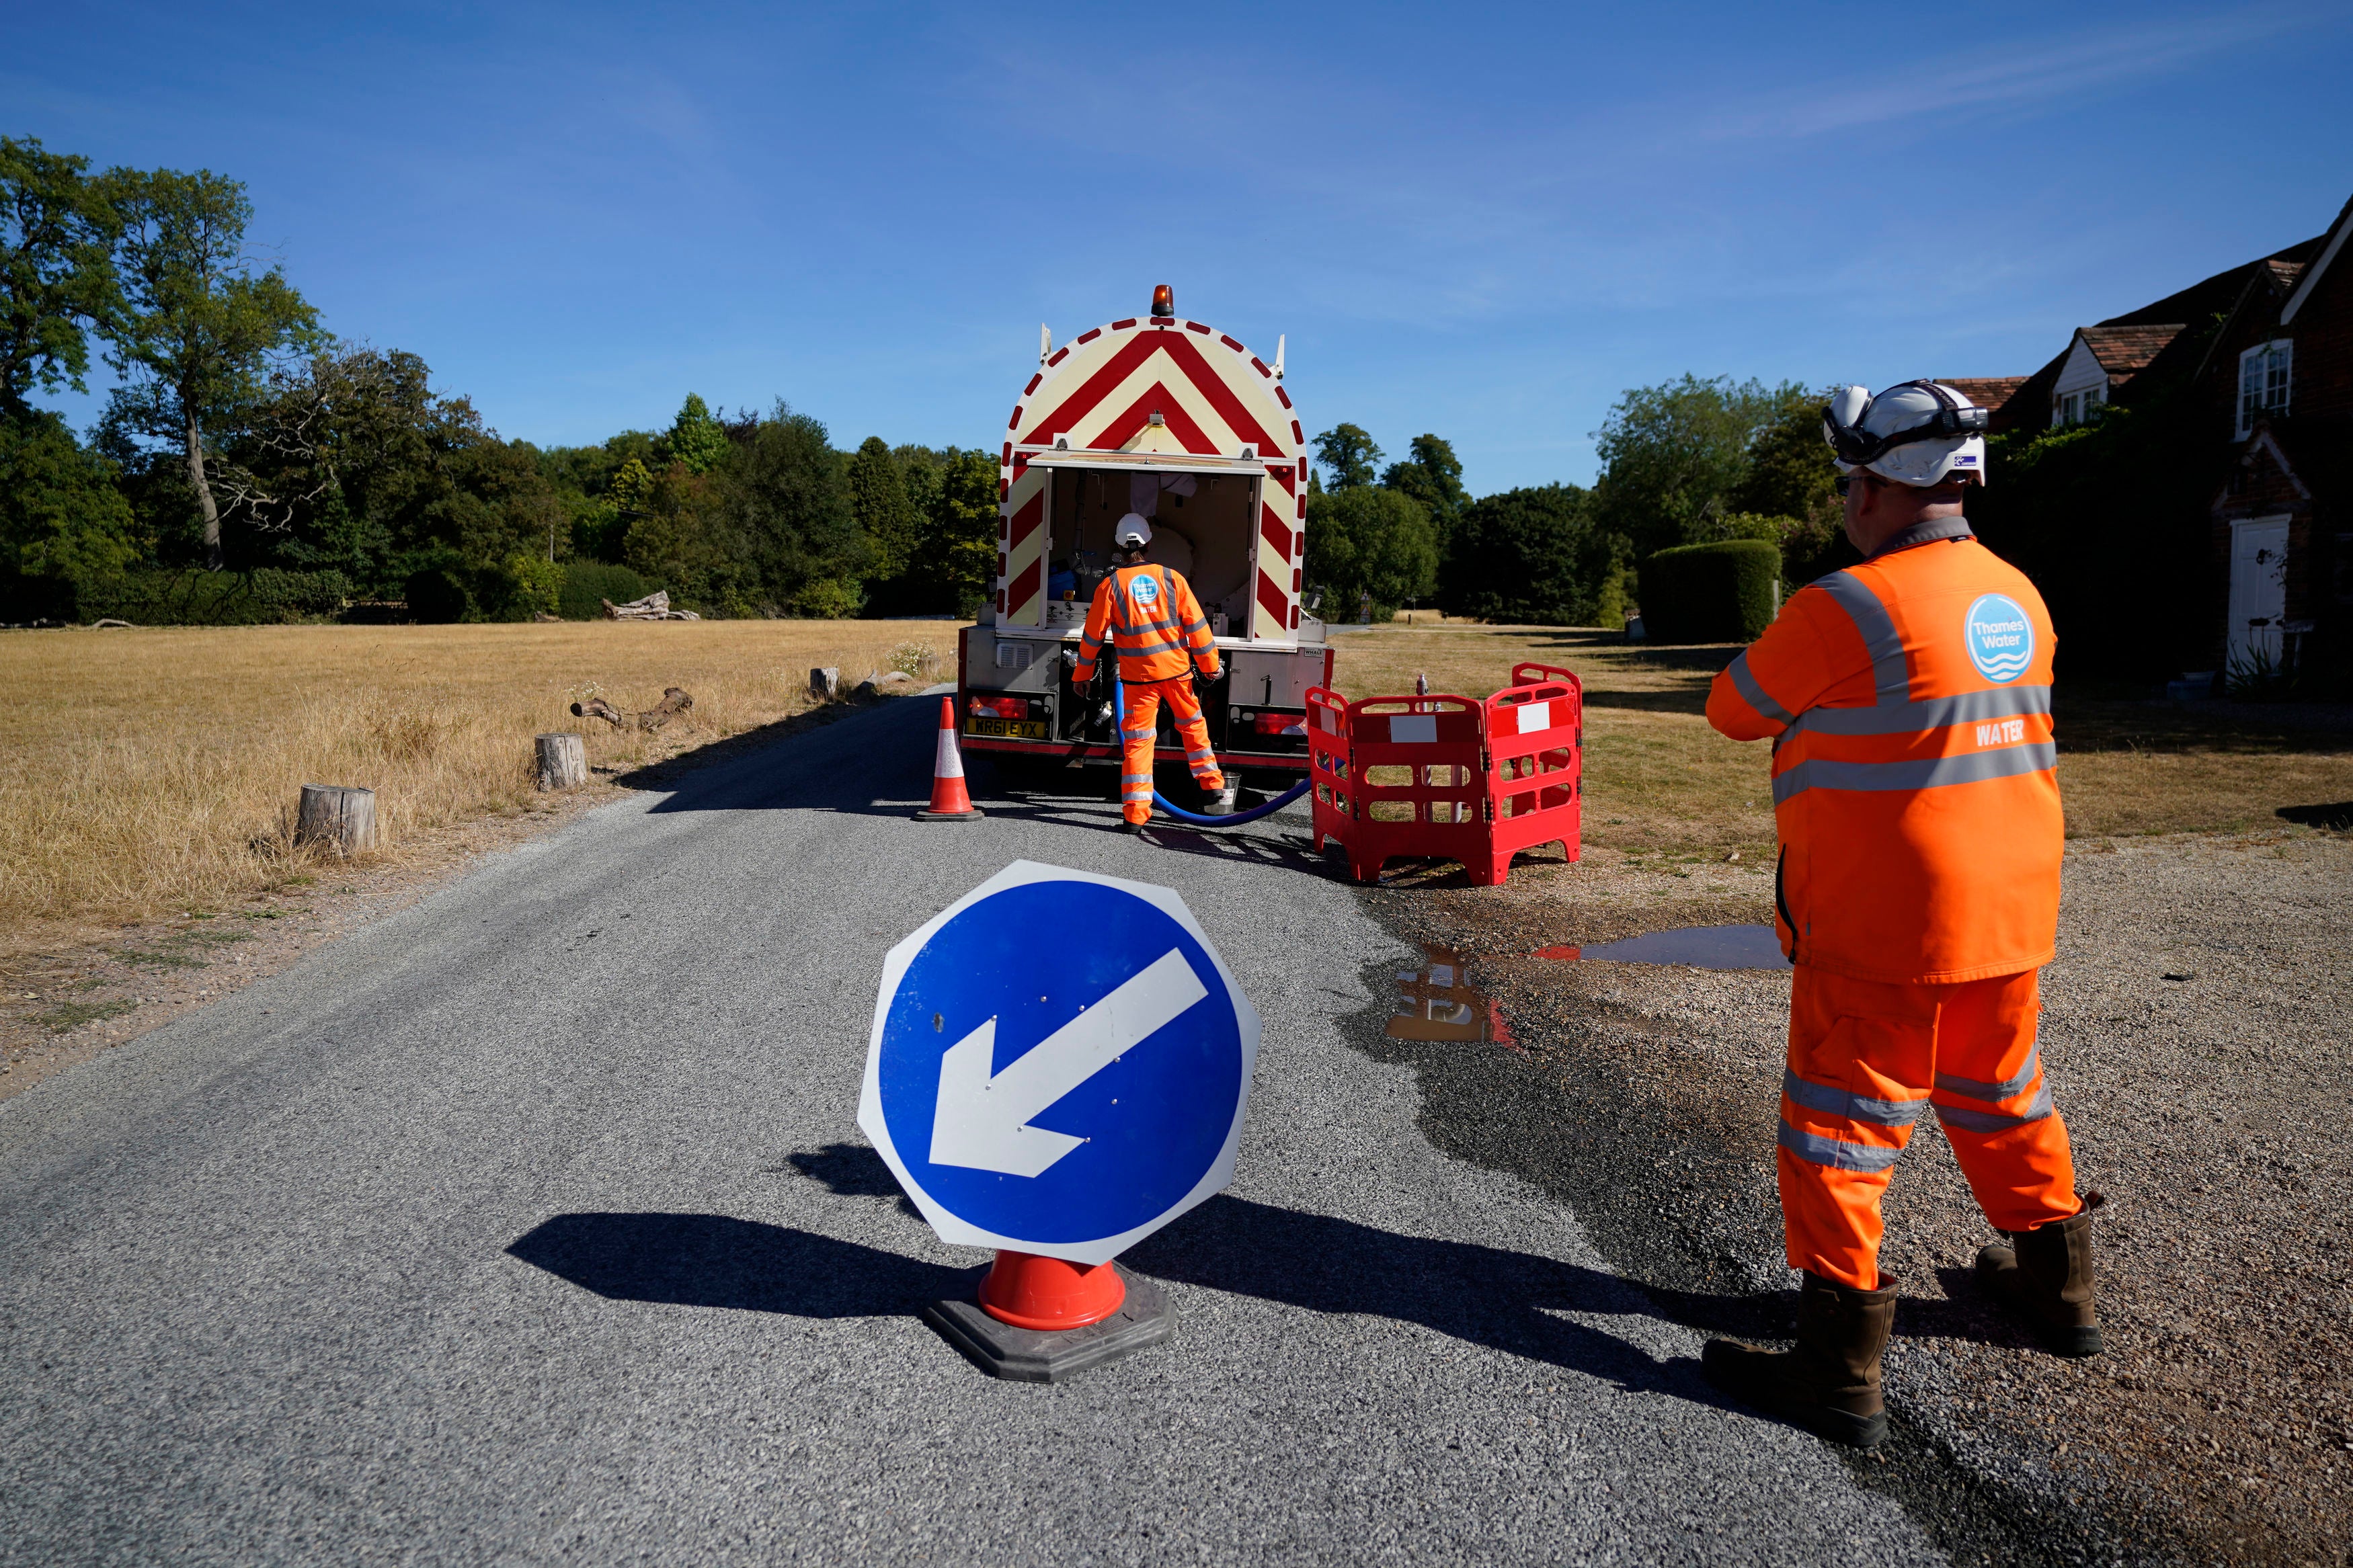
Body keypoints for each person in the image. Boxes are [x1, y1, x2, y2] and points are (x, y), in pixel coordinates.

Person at [1700, 380, 2102, 1450]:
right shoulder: (2018, 593)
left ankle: (1837, 1365)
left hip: (1886, 923)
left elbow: (1732, 710)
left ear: (1877, 485)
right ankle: (2057, 1287)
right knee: (2005, 1092)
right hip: (2011, 908)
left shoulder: (1846, 606)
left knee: (1841, 1127)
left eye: (1848, 484)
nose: (1844, 504)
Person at [1071, 513, 1234, 831]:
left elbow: (1092, 638)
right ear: (1148, 543)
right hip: (1177, 674)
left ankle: (1134, 817)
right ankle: (1213, 787)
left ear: (1118, 545)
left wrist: (1081, 676)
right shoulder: (1173, 579)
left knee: (1139, 743)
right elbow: (1198, 629)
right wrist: (1211, 668)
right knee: (1193, 728)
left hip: (1138, 681)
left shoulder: (1109, 586)